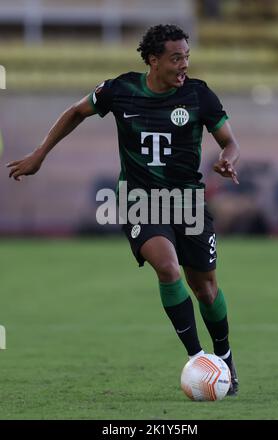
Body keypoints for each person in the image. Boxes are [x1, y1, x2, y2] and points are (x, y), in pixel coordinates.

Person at [7, 24, 240, 396]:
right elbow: (76, 112)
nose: (184, 65)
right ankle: (199, 360)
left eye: (187, 57)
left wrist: (228, 160)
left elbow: (229, 142)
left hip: (188, 201)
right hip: (139, 200)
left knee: (206, 290)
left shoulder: (199, 95)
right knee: (167, 267)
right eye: (176, 58)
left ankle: (224, 357)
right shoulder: (121, 90)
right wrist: (40, 154)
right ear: (153, 60)